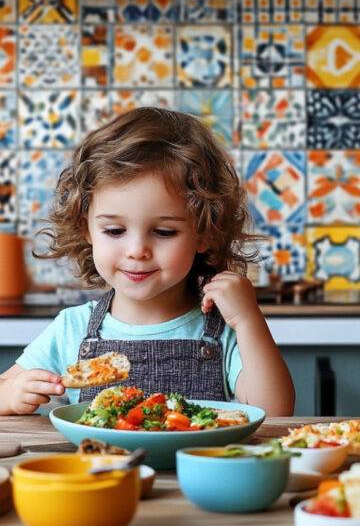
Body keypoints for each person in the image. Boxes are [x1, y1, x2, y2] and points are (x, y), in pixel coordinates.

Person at [0, 107, 295, 416]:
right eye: (114, 230)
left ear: (205, 233)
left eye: (164, 231)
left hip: (199, 465)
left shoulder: (224, 328)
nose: (137, 250)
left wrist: (248, 320)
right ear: (86, 228)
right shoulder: (71, 329)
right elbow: (5, 387)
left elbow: (274, 412)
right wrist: (10, 394)